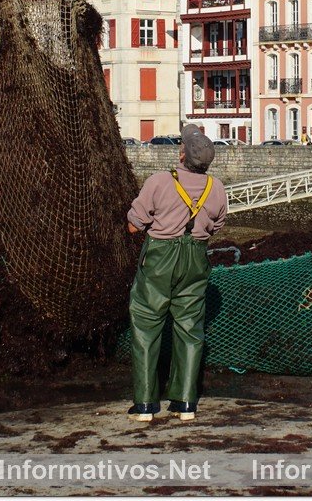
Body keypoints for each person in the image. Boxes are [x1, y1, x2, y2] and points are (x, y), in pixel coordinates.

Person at [125, 123, 228, 423]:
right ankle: (185, 403)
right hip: (196, 258)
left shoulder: (159, 181)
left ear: (182, 154)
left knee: (146, 324)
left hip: (160, 257)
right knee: (190, 327)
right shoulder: (217, 188)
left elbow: (134, 225)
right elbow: (217, 226)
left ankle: (145, 405)